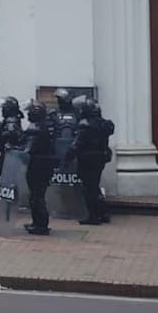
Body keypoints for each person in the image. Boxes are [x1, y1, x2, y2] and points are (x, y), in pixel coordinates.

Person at [67, 96, 113, 225]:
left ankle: (93, 216)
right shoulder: (103, 124)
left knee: (89, 188)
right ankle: (103, 212)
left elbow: (77, 144)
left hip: (87, 159)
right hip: (100, 158)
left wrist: (68, 157)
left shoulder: (85, 125)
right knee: (94, 186)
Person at [23, 99, 55, 235]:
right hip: (44, 166)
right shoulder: (45, 126)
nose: (28, 115)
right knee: (37, 195)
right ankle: (37, 222)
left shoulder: (35, 128)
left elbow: (27, 150)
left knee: (37, 196)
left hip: (37, 167)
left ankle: (41, 225)